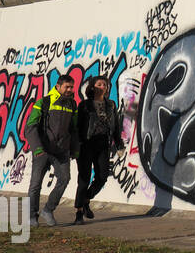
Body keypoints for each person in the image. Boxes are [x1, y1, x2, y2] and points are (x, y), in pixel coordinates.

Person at [27, 74, 80, 227]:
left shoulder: (72, 105)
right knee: (35, 184)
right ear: (58, 86)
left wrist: (75, 149)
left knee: (64, 179)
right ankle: (32, 216)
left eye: (72, 87)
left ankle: (48, 210)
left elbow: (74, 129)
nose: (70, 90)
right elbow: (30, 127)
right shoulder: (44, 102)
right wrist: (37, 149)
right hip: (42, 151)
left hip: (61, 151)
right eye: (67, 87)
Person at [74, 75, 124, 224]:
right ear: (92, 87)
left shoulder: (111, 105)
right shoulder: (84, 105)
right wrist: (75, 146)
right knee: (84, 178)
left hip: (103, 144)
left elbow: (116, 127)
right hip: (86, 144)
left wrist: (119, 144)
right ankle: (79, 212)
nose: (103, 86)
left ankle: (86, 199)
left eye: (105, 84)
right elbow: (78, 127)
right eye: (100, 84)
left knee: (102, 176)